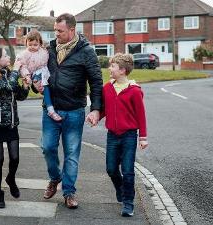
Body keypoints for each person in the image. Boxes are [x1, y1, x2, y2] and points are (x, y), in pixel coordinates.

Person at [33, 13, 103, 209]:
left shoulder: (87, 51)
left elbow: (96, 82)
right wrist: (35, 85)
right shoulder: (48, 50)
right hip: (51, 110)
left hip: (74, 111)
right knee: (47, 147)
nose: (56, 34)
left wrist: (96, 109)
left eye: (60, 31)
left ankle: (69, 192)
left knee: (72, 153)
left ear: (72, 30)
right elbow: (38, 74)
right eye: (55, 30)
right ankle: (55, 178)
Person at [0, 46, 30, 208]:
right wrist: (16, 71)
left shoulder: (9, 74)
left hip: (10, 123)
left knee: (15, 157)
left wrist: (26, 86)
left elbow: (20, 96)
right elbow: (6, 87)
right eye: (5, 55)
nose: (9, 56)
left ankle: (11, 178)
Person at [99, 53, 148, 217]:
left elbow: (141, 115)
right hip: (112, 135)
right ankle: (120, 188)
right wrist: (96, 116)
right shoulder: (107, 88)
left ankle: (128, 203)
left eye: (112, 66)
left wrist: (143, 137)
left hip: (129, 136)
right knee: (111, 169)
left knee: (128, 170)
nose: (109, 68)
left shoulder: (134, 91)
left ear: (122, 70)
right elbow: (105, 109)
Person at [16, 30, 62, 121]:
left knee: (54, 85)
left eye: (35, 45)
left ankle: (55, 104)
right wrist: (27, 76)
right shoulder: (24, 54)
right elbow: (23, 67)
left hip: (45, 72)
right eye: (30, 45)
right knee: (45, 89)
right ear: (26, 43)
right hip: (34, 74)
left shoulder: (44, 51)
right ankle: (50, 109)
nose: (32, 47)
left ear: (40, 43)